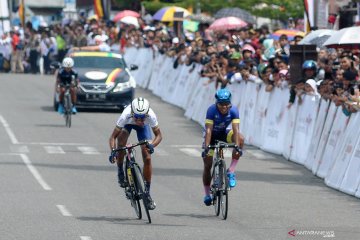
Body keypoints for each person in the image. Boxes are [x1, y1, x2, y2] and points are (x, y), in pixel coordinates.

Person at [109, 97, 163, 210]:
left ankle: (147, 193)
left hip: (144, 129)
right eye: (137, 117)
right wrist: (113, 151)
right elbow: (113, 137)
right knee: (121, 141)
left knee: (147, 157)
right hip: (128, 125)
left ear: (147, 114)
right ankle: (120, 171)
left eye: (143, 117)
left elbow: (159, 136)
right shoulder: (125, 115)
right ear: (132, 113)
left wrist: (152, 145)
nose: (139, 120)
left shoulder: (151, 116)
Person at [202, 88, 244, 206]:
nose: (224, 107)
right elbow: (209, 130)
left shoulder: (234, 110)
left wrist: (236, 146)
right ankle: (206, 194)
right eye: (221, 104)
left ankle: (231, 170)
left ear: (230, 103)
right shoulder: (211, 110)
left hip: (224, 133)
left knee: (240, 138)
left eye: (226, 104)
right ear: (217, 103)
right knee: (207, 165)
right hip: (212, 135)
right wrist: (206, 147)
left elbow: (235, 129)